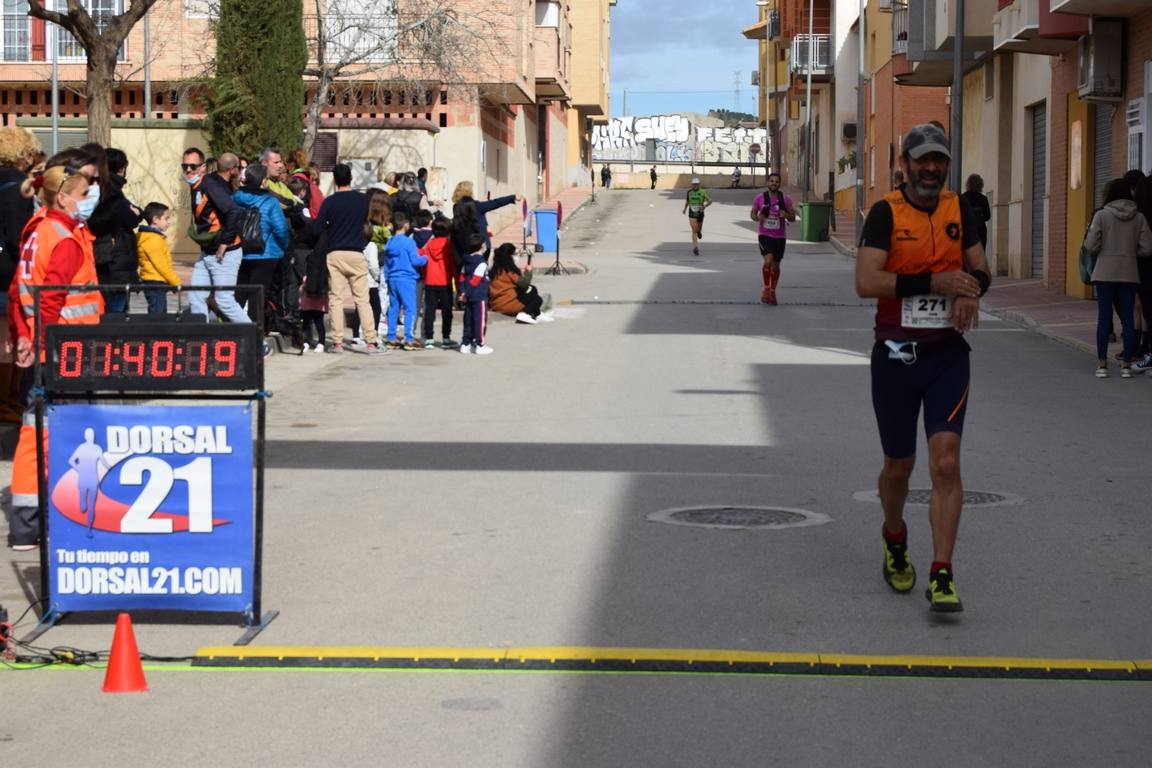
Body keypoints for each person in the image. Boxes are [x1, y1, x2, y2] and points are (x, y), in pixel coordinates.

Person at [855, 123, 990, 613]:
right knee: (899, 465)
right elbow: (867, 281)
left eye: (939, 161)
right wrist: (936, 283)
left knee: (946, 462)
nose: (931, 169)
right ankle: (894, 536)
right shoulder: (885, 213)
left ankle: (942, 572)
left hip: (946, 356)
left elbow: (980, 268)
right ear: (905, 165)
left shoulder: (961, 211)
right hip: (895, 355)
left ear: (948, 166)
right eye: (922, 161)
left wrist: (971, 291)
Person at [6, 163, 105, 550]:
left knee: (34, 434)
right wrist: (43, 345)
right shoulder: (63, 237)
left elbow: (19, 291)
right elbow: (50, 299)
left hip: (46, 348)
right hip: (66, 352)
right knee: (68, 435)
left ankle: (25, 527)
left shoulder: (37, 231)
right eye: (83, 194)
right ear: (63, 197)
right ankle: (62, 518)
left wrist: (22, 339)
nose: (88, 200)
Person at [312, 163, 385, 354]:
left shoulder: (330, 201)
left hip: (335, 253)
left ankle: (336, 342)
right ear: (351, 178)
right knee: (362, 299)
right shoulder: (362, 201)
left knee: (335, 298)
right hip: (356, 251)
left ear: (335, 180)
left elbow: (317, 228)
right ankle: (371, 340)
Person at [1083, 178, 1152, 378]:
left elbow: (1091, 246)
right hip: (1129, 272)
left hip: (1105, 272)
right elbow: (1147, 248)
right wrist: (1131, 253)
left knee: (1104, 317)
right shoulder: (1139, 217)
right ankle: (1126, 366)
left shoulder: (1102, 215)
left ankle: (1102, 365)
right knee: (1129, 319)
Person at [0, 126, 39, 425]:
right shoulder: (16, 188)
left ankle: (8, 400)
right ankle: (7, 401)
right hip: (9, 274)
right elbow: (17, 236)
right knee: (9, 342)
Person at [185, 148, 249, 324]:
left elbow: (234, 211)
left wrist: (223, 244)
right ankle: (201, 341)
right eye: (185, 166)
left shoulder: (209, 186)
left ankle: (257, 341)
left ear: (203, 167)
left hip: (225, 254)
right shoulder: (197, 185)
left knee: (225, 301)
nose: (188, 170)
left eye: (193, 166)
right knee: (196, 297)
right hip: (207, 253)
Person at [233, 163, 292, 326]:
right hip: (266, 254)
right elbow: (280, 229)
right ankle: (254, 336)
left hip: (240, 252)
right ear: (262, 181)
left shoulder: (235, 198)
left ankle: (232, 332)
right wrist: (283, 246)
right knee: (257, 298)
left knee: (239, 295)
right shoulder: (270, 201)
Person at [88, 148, 142, 313]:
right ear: (122, 167)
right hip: (115, 258)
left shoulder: (98, 187)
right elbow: (130, 217)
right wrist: (138, 213)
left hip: (104, 257)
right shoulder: (113, 191)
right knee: (116, 312)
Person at [383, 211, 427, 350]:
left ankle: (391, 337)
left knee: (394, 307)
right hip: (407, 279)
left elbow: (387, 264)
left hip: (392, 278)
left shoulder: (390, 242)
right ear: (405, 225)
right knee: (410, 309)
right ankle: (408, 338)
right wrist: (425, 259)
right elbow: (415, 261)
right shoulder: (409, 242)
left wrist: (387, 277)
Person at [350, 193, 389, 347]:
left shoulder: (357, 246)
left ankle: (355, 334)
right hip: (371, 282)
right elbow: (373, 264)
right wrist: (378, 276)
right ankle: (373, 332)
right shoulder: (371, 246)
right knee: (375, 306)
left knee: (358, 306)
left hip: (358, 279)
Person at [751, 172, 797, 305]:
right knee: (768, 261)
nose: (774, 183)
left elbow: (793, 218)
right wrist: (757, 217)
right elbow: (753, 214)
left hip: (780, 237)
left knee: (776, 265)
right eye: (771, 181)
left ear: (779, 184)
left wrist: (786, 215)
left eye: (776, 181)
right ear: (767, 183)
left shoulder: (785, 200)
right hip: (765, 235)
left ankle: (772, 291)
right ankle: (765, 289)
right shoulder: (760, 198)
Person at [450, 180, 522, 253]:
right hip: (480, 245)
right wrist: (513, 197)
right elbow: (496, 202)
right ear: (469, 193)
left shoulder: (456, 206)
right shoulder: (477, 206)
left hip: (464, 245)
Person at [489, 243, 553, 324]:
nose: (516, 256)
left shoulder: (494, 270)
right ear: (509, 256)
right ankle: (525, 314)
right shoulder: (509, 270)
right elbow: (524, 284)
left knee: (532, 289)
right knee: (537, 300)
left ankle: (537, 314)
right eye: (515, 254)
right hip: (508, 304)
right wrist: (528, 272)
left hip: (497, 304)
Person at [136, 202, 180, 315]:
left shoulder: (154, 237)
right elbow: (161, 265)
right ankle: (153, 333)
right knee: (157, 316)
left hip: (156, 282)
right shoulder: (153, 240)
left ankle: (158, 332)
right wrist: (175, 282)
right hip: (155, 283)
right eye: (166, 218)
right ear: (155, 219)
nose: (169, 222)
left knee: (161, 315)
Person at [419, 216, 457, 348]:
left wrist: (424, 274)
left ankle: (429, 338)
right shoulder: (449, 245)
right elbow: (452, 264)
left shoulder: (429, 244)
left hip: (430, 281)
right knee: (447, 311)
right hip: (445, 281)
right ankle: (446, 338)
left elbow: (422, 258)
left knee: (429, 311)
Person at [457, 232, 493, 355]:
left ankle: (465, 344)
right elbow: (475, 281)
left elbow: (461, 277)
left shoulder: (466, 260)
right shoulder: (481, 262)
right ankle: (480, 344)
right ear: (481, 247)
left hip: (468, 296)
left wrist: (462, 292)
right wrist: (466, 293)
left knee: (468, 320)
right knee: (480, 320)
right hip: (479, 296)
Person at [961, 174, 992, 251]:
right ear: (980, 185)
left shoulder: (963, 197)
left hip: (966, 230)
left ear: (968, 184)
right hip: (980, 231)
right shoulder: (983, 198)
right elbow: (987, 216)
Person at [298, 276, 328, 353]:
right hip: (310, 305)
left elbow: (301, 291)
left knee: (312, 324)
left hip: (314, 305)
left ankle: (319, 343)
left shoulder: (308, 277)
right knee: (312, 324)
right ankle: (311, 342)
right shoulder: (308, 277)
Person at [683, 177, 711, 256]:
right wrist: (685, 209)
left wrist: (704, 206)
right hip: (691, 212)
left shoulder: (703, 192)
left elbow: (710, 201)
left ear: (699, 185)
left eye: (697, 184)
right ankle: (695, 247)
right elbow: (687, 201)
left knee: (698, 229)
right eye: (694, 184)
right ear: (692, 185)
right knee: (693, 230)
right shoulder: (689, 192)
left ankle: (699, 231)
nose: (695, 185)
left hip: (700, 213)